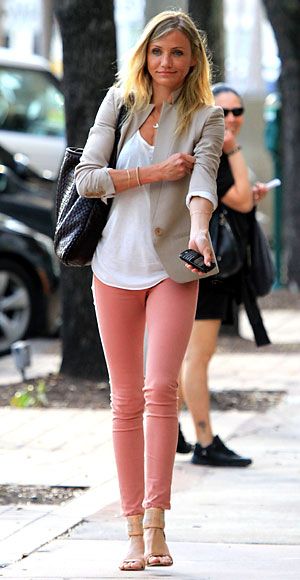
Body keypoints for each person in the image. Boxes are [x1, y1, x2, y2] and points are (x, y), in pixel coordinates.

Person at [75, 10, 224, 572]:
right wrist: (154, 173)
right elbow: (88, 176)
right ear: (146, 54)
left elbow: (205, 174)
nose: (167, 62)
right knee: (125, 397)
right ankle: (132, 530)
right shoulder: (119, 102)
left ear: (192, 61)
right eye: (158, 51)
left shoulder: (205, 116)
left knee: (162, 390)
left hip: (171, 266)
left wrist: (200, 227)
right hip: (113, 262)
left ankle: (159, 526)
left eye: (178, 53)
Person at [177, 83, 271, 467]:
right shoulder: (212, 149)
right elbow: (241, 199)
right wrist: (232, 149)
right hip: (204, 267)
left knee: (193, 355)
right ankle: (204, 440)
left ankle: (167, 430)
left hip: (213, 266)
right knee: (197, 356)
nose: (231, 118)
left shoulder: (216, 148)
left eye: (236, 111)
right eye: (223, 111)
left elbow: (242, 198)